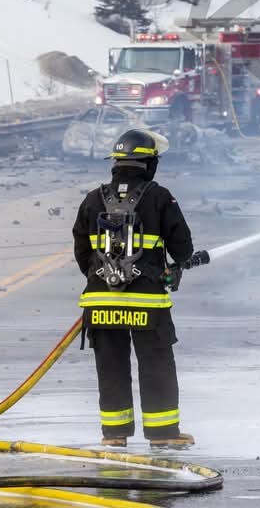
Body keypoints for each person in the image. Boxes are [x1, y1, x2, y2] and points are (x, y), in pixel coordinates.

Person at [72, 129, 195, 448]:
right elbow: (183, 248)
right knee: (156, 365)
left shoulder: (92, 200)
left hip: (101, 303)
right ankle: (163, 435)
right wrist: (171, 267)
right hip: (147, 305)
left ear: (116, 163)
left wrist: (102, 277)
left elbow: (82, 252)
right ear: (149, 164)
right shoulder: (160, 197)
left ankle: (114, 435)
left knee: (110, 366)